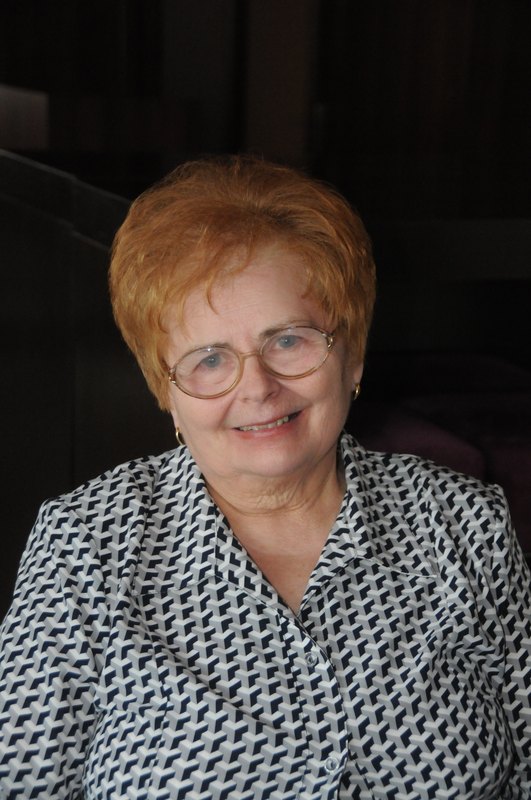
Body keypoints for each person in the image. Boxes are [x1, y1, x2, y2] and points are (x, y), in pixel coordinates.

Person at [0, 155, 530, 800]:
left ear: (352, 355)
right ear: (166, 391)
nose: (257, 388)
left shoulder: (464, 522)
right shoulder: (86, 543)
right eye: (209, 359)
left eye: (288, 341)